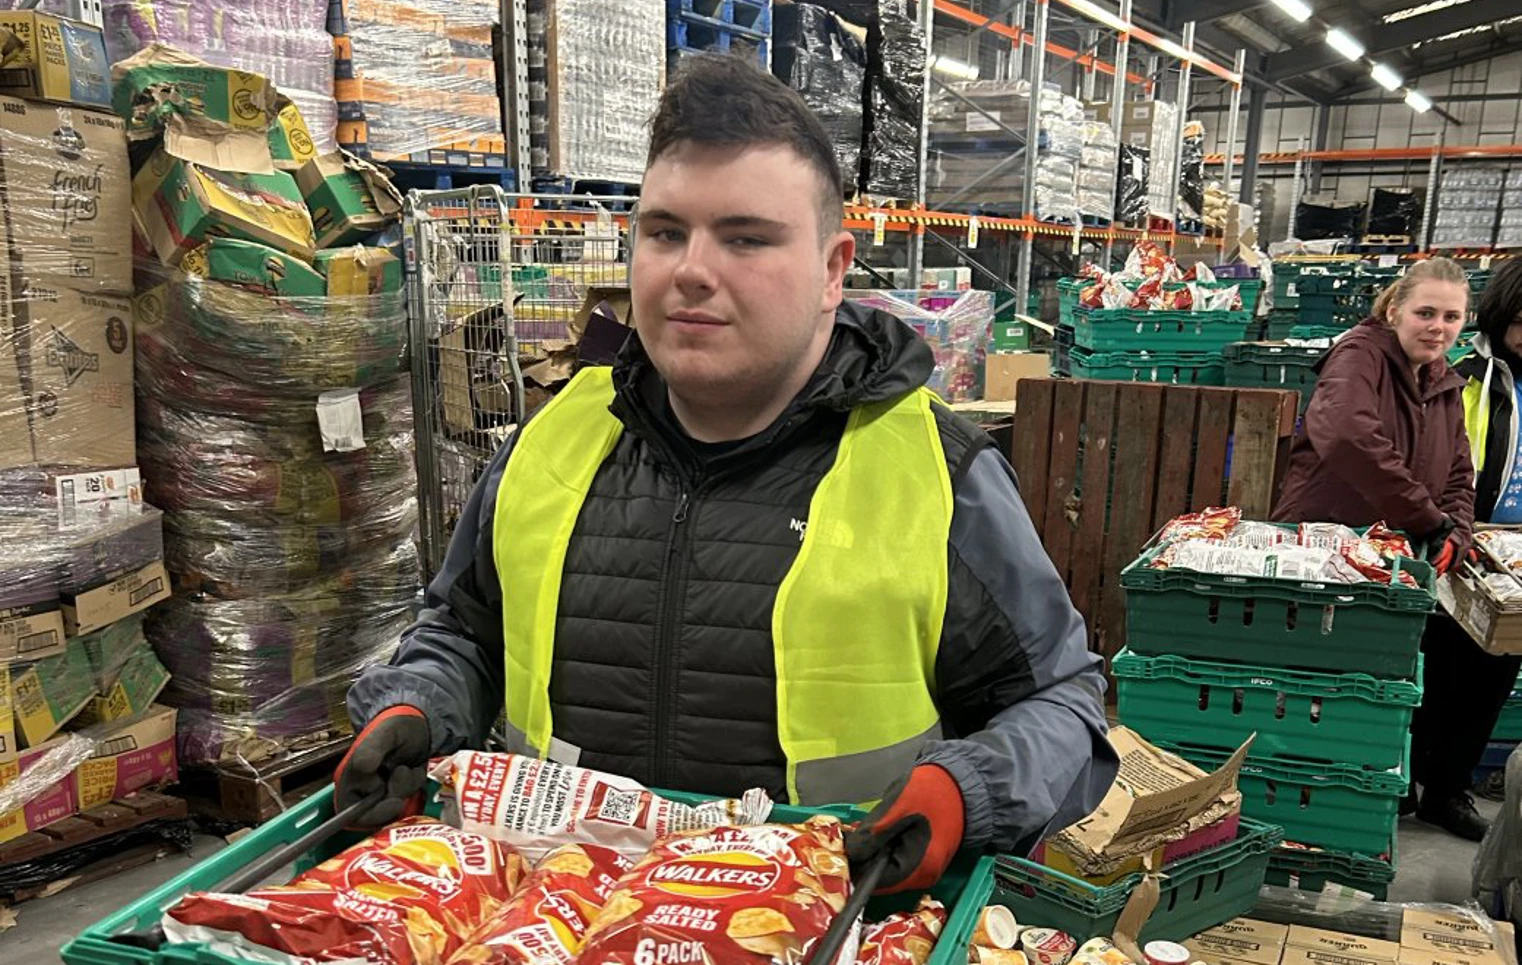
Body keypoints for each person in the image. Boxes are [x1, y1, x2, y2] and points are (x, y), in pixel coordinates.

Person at [337, 53, 1117, 892]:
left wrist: (968, 791)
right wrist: (416, 704)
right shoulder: (553, 439)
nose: (691, 270)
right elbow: (463, 628)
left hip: (817, 923)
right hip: (556, 915)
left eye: (745, 238)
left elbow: (1065, 706)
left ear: (832, 269)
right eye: (665, 232)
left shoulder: (934, 471)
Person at [1273, 257, 1484, 840]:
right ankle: (1299, 814)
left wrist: (1455, 530)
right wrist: (1428, 516)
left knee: (1370, 691)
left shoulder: (1444, 383)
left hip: (1390, 563)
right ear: (1394, 310)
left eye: (1451, 316)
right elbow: (1345, 434)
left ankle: (1357, 803)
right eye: (1425, 312)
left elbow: (1460, 475)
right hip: (1326, 551)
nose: (1437, 327)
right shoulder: (1359, 356)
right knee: (1316, 688)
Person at [1438, 257, 1522, 839]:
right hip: (1467, 543)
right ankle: (1414, 782)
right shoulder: (1469, 376)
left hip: (1517, 560)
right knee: (1443, 668)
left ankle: (1450, 788)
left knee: (1495, 672)